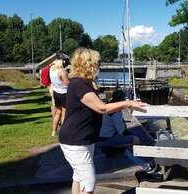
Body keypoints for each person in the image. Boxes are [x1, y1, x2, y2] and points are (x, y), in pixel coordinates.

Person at [59, 48, 146, 194]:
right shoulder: (79, 84)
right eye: (98, 63)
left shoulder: (82, 83)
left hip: (81, 139)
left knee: (79, 177)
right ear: (89, 64)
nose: (99, 66)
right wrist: (128, 103)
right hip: (76, 140)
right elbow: (102, 108)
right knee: (88, 182)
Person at [50, 59, 70, 137]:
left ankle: (54, 131)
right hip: (63, 93)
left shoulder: (52, 70)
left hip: (56, 92)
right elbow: (67, 83)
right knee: (64, 112)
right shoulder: (62, 71)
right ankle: (63, 131)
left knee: (58, 112)